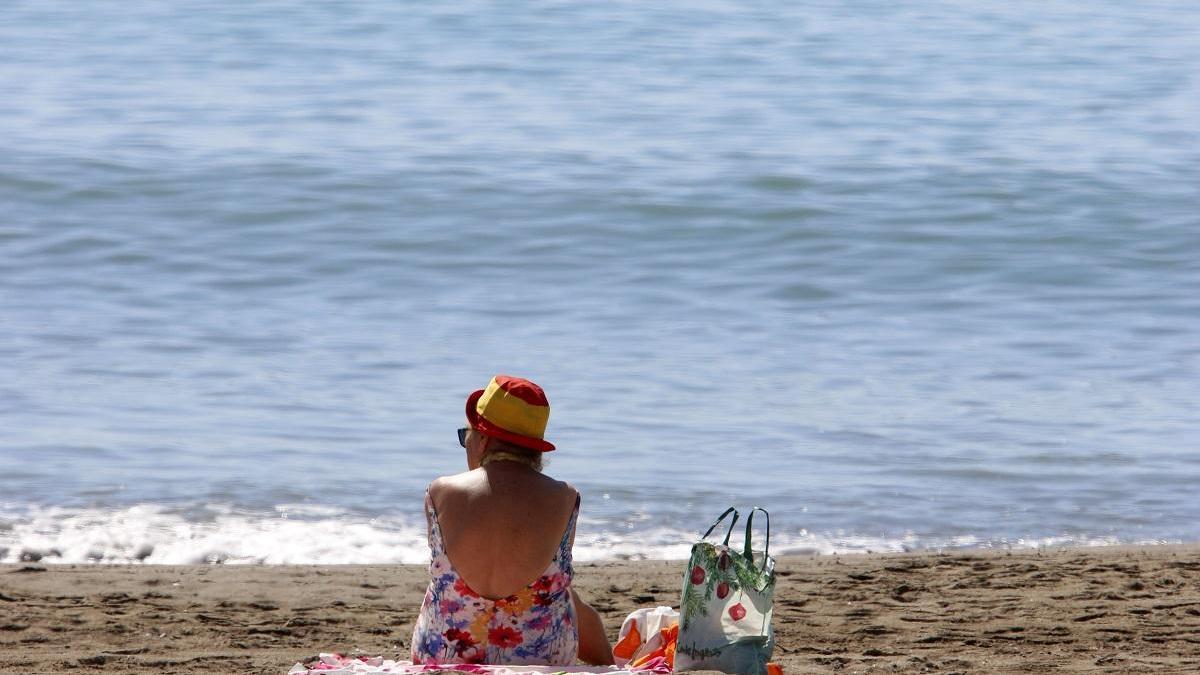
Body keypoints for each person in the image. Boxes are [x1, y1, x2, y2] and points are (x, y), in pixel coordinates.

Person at [411, 375, 614, 666]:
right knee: (558, 590)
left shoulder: (439, 491)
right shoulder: (565, 497)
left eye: (465, 435)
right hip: (540, 660)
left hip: (444, 659)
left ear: (483, 439)